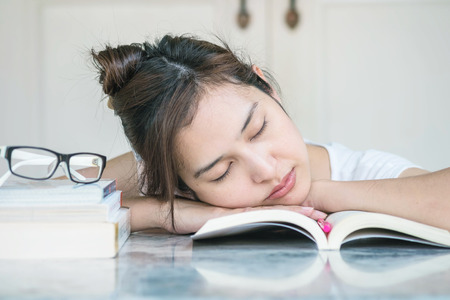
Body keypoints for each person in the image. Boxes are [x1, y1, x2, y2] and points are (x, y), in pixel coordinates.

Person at [91, 34, 450, 234]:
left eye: (259, 129)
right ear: (184, 186)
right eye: (221, 172)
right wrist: (164, 213)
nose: (265, 169)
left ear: (267, 87)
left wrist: (320, 193)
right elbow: (50, 200)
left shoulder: (362, 171)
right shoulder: (165, 177)